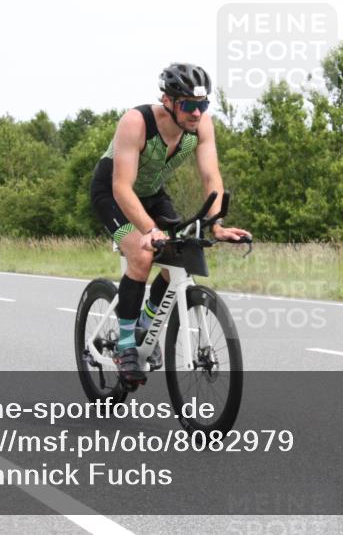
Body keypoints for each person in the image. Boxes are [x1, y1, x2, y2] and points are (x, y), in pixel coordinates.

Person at [90, 63, 251, 385]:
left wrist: (216, 224)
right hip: (113, 191)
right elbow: (122, 187)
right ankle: (124, 347)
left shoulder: (201, 126)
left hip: (151, 194)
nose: (196, 113)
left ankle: (146, 324)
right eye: (189, 105)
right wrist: (149, 230)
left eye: (203, 105)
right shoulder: (136, 122)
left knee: (181, 253)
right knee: (141, 252)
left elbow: (210, 176)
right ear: (168, 100)